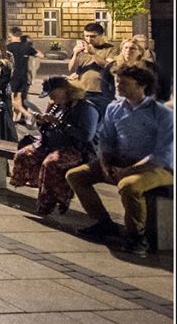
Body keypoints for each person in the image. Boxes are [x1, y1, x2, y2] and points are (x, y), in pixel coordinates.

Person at [67, 65, 174, 254]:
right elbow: (106, 139)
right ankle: (103, 222)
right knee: (76, 176)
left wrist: (129, 170)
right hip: (121, 161)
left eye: (124, 83)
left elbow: (161, 155)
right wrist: (105, 163)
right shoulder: (114, 108)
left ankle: (137, 237)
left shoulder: (161, 113)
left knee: (129, 186)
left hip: (157, 168)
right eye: (117, 82)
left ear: (142, 86)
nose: (118, 86)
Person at [9, 76, 99, 215]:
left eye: (53, 93)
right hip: (50, 145)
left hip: (75, 149)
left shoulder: (85, 108)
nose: (50, 97)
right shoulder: (57, 104)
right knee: (23, 155)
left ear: (65, 90)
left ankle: (51, 200)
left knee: (50, 164)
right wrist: (42, 120)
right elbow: (46, 128)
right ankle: (42, 186)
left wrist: (61, 124)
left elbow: (86, 136)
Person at [69, 21, 117, 120]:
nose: (88, 39)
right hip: (82, 91)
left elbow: (108, 66)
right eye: (86, 36)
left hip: (100, 92)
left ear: (101, 35)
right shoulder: (83, 49)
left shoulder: (110, 49)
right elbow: (71, 69)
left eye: (92, 36)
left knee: (99, 121)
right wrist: (75, 54)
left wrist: (93, 54)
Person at [6, 27, 43, 126]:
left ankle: (27, 114)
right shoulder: (26, 47)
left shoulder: (8, 48)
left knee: (11, 100)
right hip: (24, 76)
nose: (8, 38)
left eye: (9, 36)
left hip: (13, 77)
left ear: (12, 35)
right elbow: (40, 55)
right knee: (19, 99)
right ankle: (14, 120)